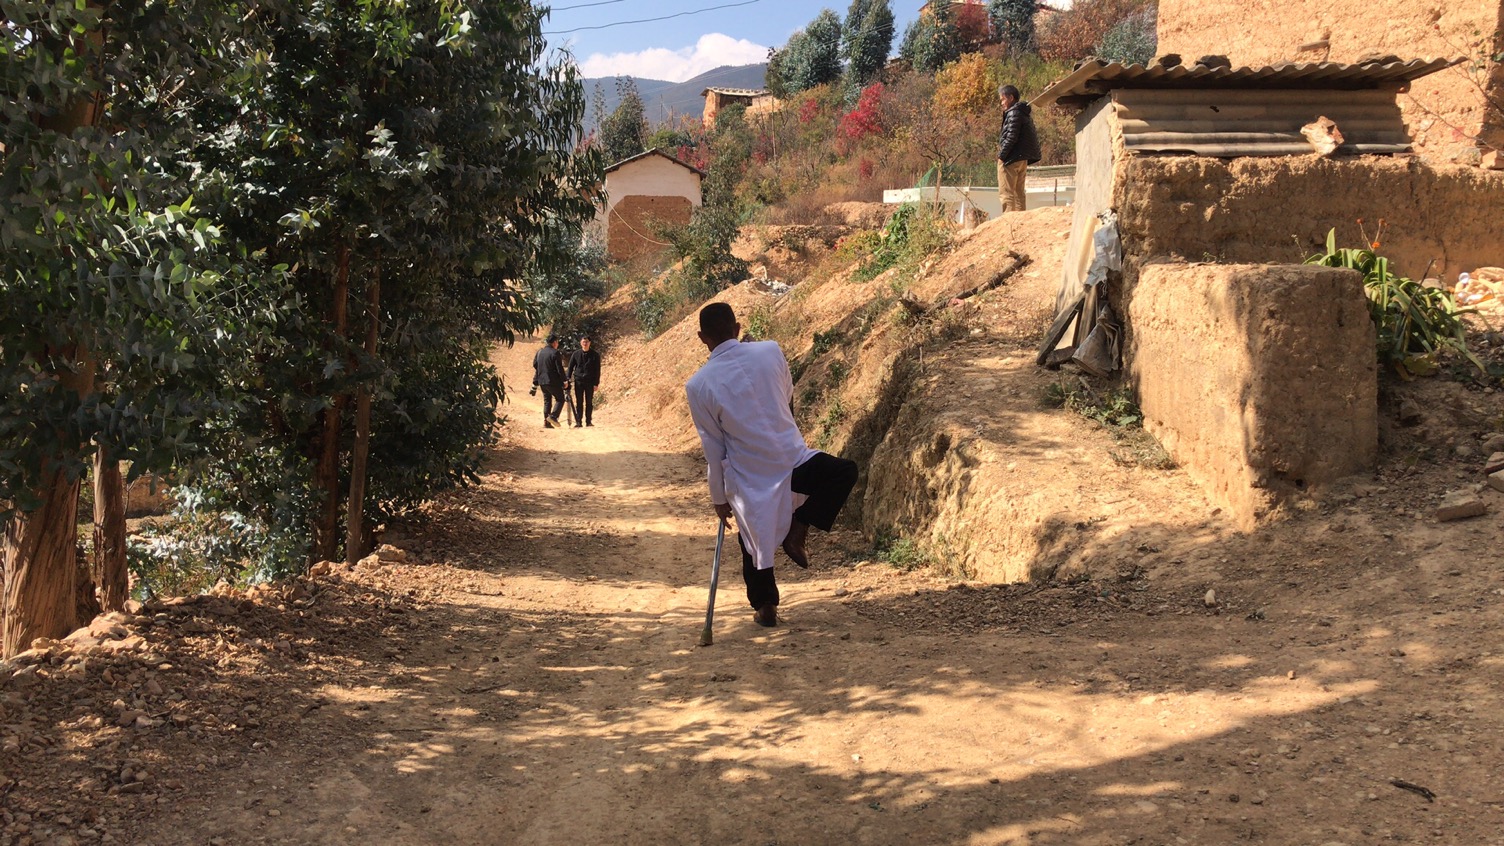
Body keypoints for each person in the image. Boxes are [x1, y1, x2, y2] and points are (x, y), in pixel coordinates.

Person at [685, 303, 859, 629]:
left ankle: (765, 605)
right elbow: (787, 395)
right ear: (737, 328)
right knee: (844, 471)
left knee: (751, 539)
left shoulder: (698, 385)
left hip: (749, 476)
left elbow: (714, 448)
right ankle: (801, 525)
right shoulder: (770, 350)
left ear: (701, 337)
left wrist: (719, 498)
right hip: (793, 460)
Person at [997, 83, 1042, 214]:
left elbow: (1011, 137)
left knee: (1007, 193)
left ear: (1011, 98)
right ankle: (1021, 220)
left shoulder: (1013, 113)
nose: (1001, 103)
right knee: (1019, 193)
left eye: (1003, 99)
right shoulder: (1023, 112)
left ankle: (1008, 220)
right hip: (1022, 159)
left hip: (1011, 158)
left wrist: (1001, 156)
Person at [531, 333, 566, 428]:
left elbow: (535, 365)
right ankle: (553, 416)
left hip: (542, 381)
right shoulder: (555, 352)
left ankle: (546, 423)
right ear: (554, 342)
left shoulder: (540, 352)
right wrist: (564, 380)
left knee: (547, 401)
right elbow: (559, 369)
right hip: (552, 381)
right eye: (557, 342)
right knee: (560, 399)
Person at [566, 335, 602, 427]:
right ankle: (579, 421)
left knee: (589, 402)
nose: (585, 344)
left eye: (587, 342)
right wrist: (567, 378)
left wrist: (596, 383)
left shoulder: (595, 355)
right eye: (583, 342)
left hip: (590, 382)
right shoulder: (576, 354)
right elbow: (570, 367)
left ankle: (588, 421)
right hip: (578, 381)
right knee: (579, 402)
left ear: (590, 343)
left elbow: (597, 370)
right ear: (580, 343)